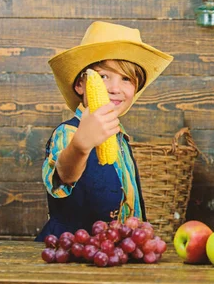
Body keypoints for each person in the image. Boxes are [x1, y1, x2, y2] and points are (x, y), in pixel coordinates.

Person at [35, 21, 173, 240]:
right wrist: (81, 146)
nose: (115, 88)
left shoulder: (121, 139)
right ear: (80, 85)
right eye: (103, 76)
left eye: (126, 79)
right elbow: (62, 177)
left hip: (114, 255)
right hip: (72, 256)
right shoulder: (68, 133)